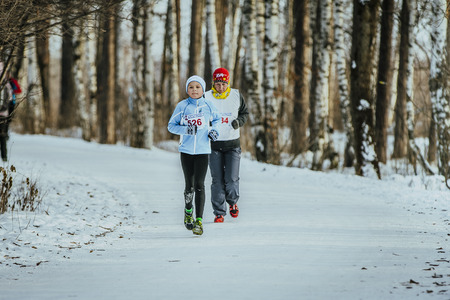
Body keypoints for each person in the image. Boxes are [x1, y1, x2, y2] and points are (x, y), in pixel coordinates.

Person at [168, 75, 221, 235]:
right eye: (191, 87)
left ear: (203, 89)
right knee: (189, 186)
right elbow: (171, 126)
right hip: (186, 151)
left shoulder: (209, 105)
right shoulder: (182, 106)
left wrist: (214, 131)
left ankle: (199, 220)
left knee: (200, 184)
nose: (194, 90)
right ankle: (188, 210)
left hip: (203, 151)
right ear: (187, 90)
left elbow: (217, 120)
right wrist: (186, 130)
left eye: (198, 87)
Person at [205, 68, 249, 223]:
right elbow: (202, 117)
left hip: (232, 145)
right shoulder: (207, 97)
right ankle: (219, 212)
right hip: (214, 145)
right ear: (213, 83)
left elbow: (245, 113)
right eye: (218, 84)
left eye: (224, 84)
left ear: (228, 83)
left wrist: (239, 122)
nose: (221, 87)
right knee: (217, 180)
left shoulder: (236, 95)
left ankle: (233, 202)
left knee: (231, 179)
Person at [0, 65, 19, 162]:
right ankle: (4, 157)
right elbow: (12, 99)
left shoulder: (9, 83)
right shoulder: (7, 84)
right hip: (4, 114)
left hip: (4, 113)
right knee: (2, 135)